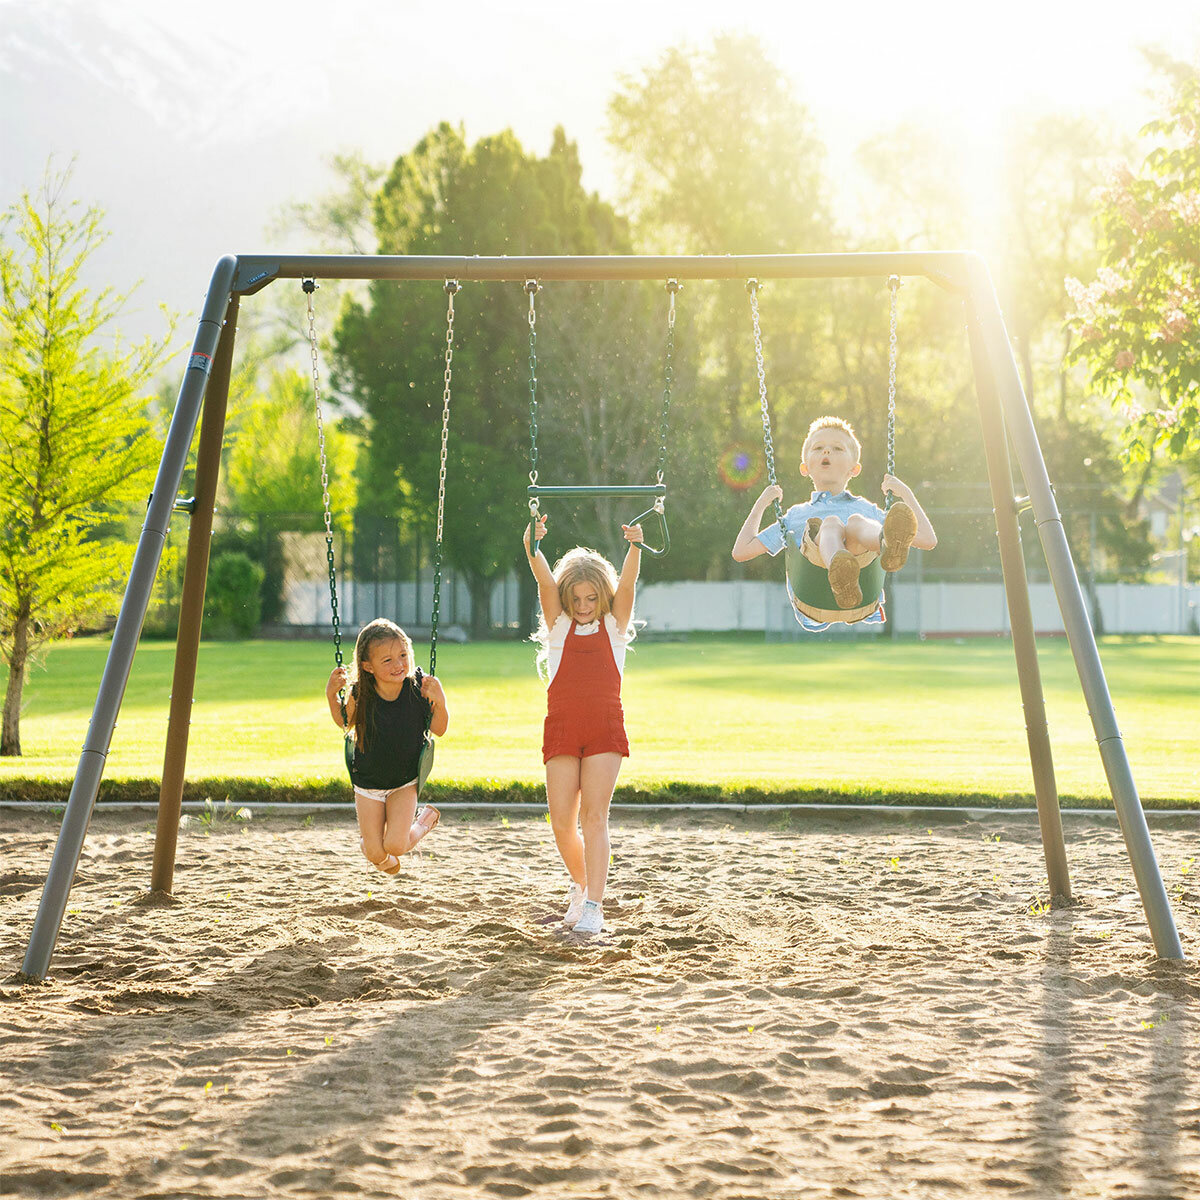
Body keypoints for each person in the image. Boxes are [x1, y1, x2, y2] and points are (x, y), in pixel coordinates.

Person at [523, 512, 643, 936]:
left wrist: (634, 547)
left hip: (604, 730)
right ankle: (581, 885)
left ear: (602, 597)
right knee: (561, 822)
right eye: (576, 599)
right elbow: (542, 581)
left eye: (592, 598)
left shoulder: (614, 629)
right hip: (562, 729)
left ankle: (594, 905)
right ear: (567, 598)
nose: (584, 606)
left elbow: (627, 586)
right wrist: (532, 543)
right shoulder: (557, 629)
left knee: (594, 818)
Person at [731, 415, 937, 630]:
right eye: (818, 447)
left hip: (862, 593)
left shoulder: (867, 511)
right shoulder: (797, 516)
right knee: (831, 524)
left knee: (857, 522)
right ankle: (840, 572)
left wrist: (906, 493)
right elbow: (741, 551)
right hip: (814, 595)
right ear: (805, 468)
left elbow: (927, 539)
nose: (826, 451)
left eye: (837, 448)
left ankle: (886, 547)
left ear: (854, 469)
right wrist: (762, 503)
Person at [326, 618, 448, 874]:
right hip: (368, 782)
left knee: (395, 844)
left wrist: (440, 701)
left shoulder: (418, 688)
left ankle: (423, 823)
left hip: (404, 782)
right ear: (367, 666)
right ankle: (381, 859)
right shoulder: (361, 693)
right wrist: (331, 695)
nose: (399, 664)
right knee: (375, 852)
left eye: (403, 655)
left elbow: (439, 728)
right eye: (387, 660)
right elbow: (346, 723)